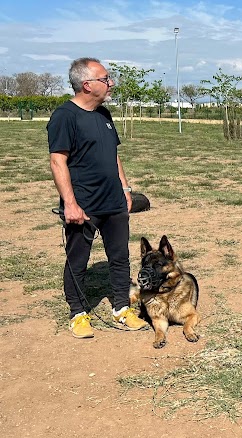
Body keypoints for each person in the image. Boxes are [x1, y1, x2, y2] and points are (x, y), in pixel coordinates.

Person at [48, 57, 147, 338]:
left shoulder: (104, 114)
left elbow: (113, 155)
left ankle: (121, 309)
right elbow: (57, 161)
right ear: (87, 85)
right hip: (83, 204)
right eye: (105, 79)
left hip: (113, 201)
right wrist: (70, 203)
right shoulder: (64, 116)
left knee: (120, 257)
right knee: (77, 261)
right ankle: (78, 314)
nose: (111, 83)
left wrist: (125, 189)